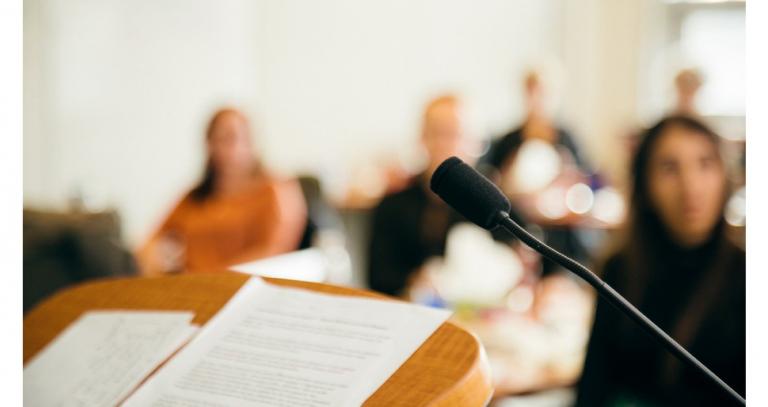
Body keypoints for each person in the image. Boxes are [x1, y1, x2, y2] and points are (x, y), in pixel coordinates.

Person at [576, 116, 745, 406]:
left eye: (705, 164)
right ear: (645, 185)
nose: (690, 186)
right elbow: (593, 385)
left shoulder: (747, 276)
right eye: (669, 168)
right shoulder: (620, 269)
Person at [367, 95, 525, 298]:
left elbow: (528, 266)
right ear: (422, 137)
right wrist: (415, 282)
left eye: (457, 135)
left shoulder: (493, 202)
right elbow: (378, 281)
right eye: (439, 133)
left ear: (478, 143)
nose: (447, 145)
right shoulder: (392, 206)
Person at [137, 108, 307, 275]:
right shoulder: (195, 197)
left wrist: (212, 278)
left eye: (235, 137)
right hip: (188, 289)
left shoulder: (276, 191)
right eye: (220, 139)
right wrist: (155, 257)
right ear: (209, 145)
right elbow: (150, 242)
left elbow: (273, 253)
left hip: (238, 287)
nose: (229, 149)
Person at [483, 68, 591, 276]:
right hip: (517, 225)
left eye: (544, 92)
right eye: (532, 92)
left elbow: (585, 182)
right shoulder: (508, 140)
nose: (538, 99)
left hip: (560, 232)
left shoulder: (567, 138)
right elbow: (492, 180)